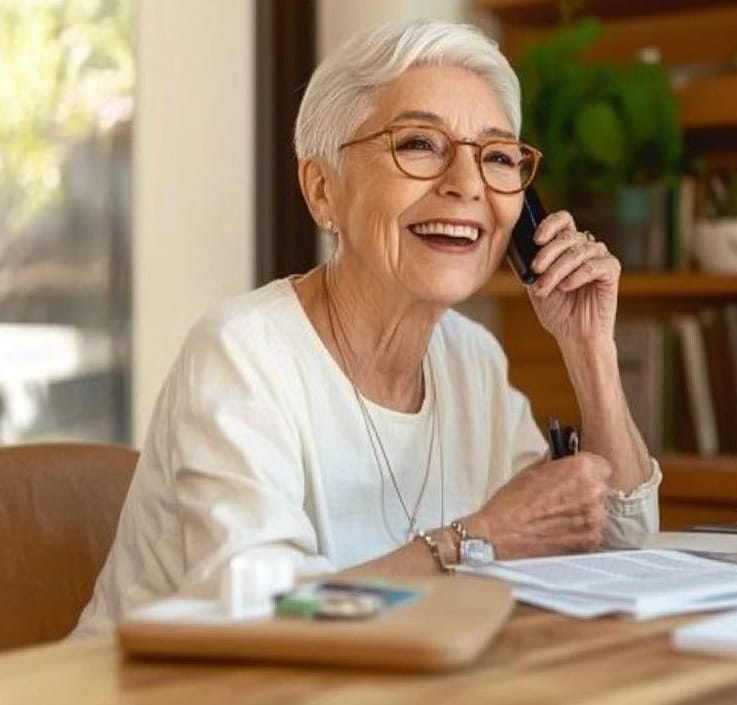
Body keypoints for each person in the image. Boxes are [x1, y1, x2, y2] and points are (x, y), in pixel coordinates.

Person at [74, 19, 660, 635]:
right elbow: (264, 616)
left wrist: (588, 348)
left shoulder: (472, 359)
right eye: (419, 145)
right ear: (323, 190)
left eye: (496, 157)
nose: (465, 185)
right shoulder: (243, 353)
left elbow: (618, 553)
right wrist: (480, 539)